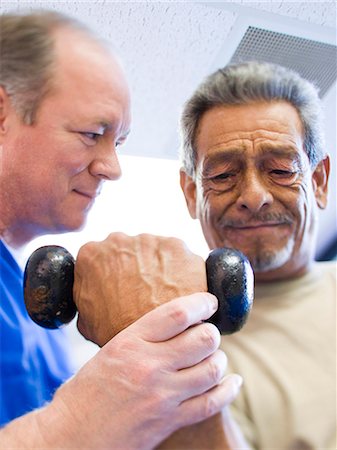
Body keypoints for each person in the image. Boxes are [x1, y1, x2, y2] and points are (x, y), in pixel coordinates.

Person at [0, 11, 247, 449]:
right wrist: (78, 416)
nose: (112, 167)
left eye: (118, 143)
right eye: (93, 132)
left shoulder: (35, 309)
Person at [178, 61, 336, 449]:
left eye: (281, 170)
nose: (253, 197)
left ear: (318, 181)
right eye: (222, 175)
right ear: (192, 193)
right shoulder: (179, 343)